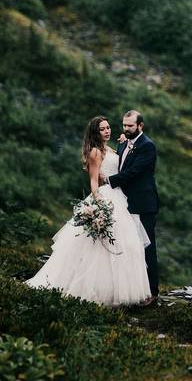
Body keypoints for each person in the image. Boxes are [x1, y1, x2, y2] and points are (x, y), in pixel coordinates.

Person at [25, 116, 152, 306]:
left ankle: (118, 290)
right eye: (102, 129)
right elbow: (94, 181)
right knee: (98, 248)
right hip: (105, 196)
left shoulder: (110, 148)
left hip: (119, 196)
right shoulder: (95, 152)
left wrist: (125, 144)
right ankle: (93, 289)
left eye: (108, 127)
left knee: (127, 244)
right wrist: (99, 202)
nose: (107, 131)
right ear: (95, 132)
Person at [101, 110, 161, 306]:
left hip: (144, 204)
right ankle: (135, 289)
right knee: (130, 247)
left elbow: (134, 172)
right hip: (126, 202)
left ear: (140, 126)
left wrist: (109, 181)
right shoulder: (123, 142)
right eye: (124, 125)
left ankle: (152, 292)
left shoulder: (148, 146)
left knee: (147, 246)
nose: (126, 129)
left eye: (130, 126)